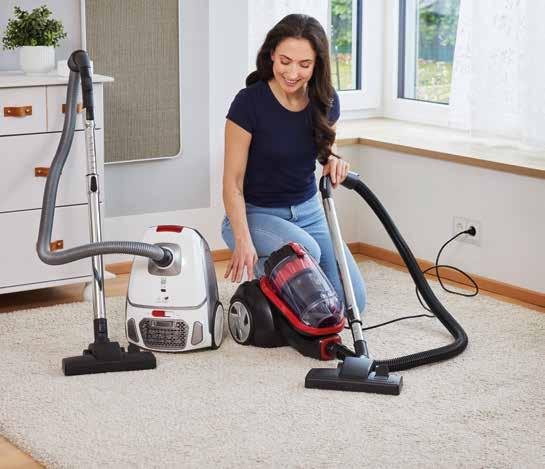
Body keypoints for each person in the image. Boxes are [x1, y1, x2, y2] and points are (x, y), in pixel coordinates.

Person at [221, 13, 366, 314]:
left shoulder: (325, 99)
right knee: (306, 253)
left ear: (317, 65)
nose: (292, 73)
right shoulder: (249, 103)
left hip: (309, 213)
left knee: (353, 303)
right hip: (257, 215)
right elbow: (232, 184)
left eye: (304, 64)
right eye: (285, 61)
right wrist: (243, 240)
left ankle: (283, 274)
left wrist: (334, 159)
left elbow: (326, 148)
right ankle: (265, 275)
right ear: (272, 54)